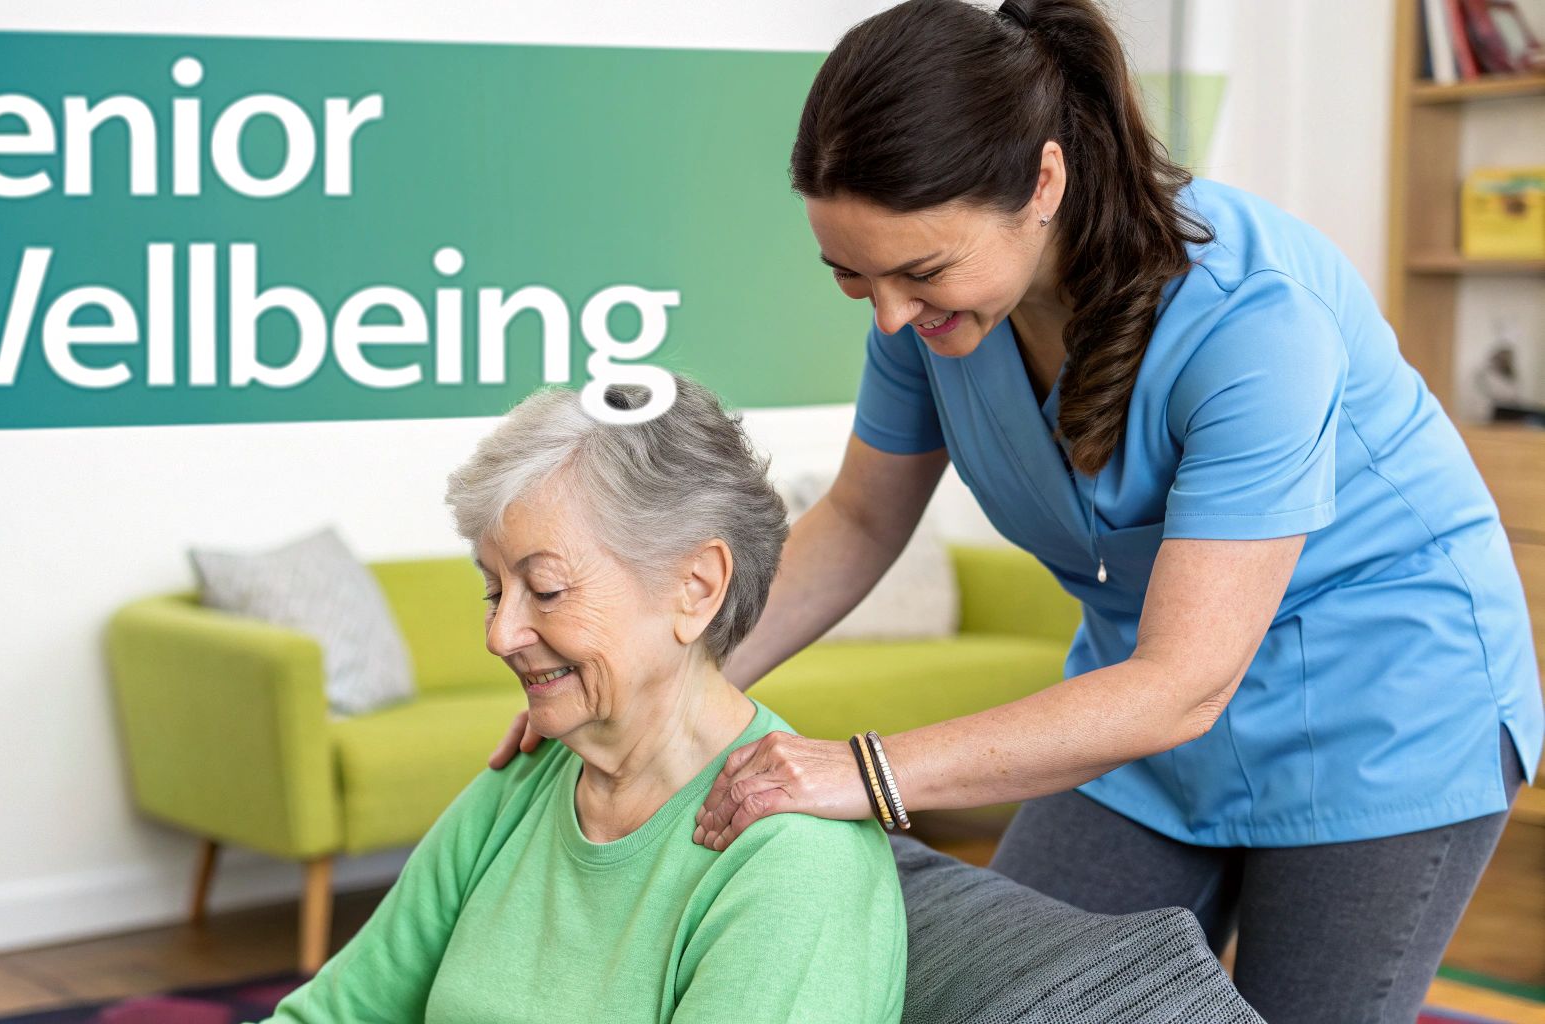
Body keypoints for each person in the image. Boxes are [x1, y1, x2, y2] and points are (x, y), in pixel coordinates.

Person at [490, 1, 1542, 1020]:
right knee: (1000, 996)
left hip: (1379, 711)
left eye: (919, 271)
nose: (892, 314)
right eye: (853, 278)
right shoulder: (928, 320)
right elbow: (858, 522)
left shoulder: (1252, 321)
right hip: (1137, 717)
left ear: (1044, 180)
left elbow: (1180, 682)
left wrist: (862, 770)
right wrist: (648, 682)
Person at [259, 378, 905, 1024]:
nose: (499, 635)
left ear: (696, 587)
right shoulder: (525, 779)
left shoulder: (795, 866)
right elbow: (334, 1014)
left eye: (545, 589)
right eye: (493, 591)